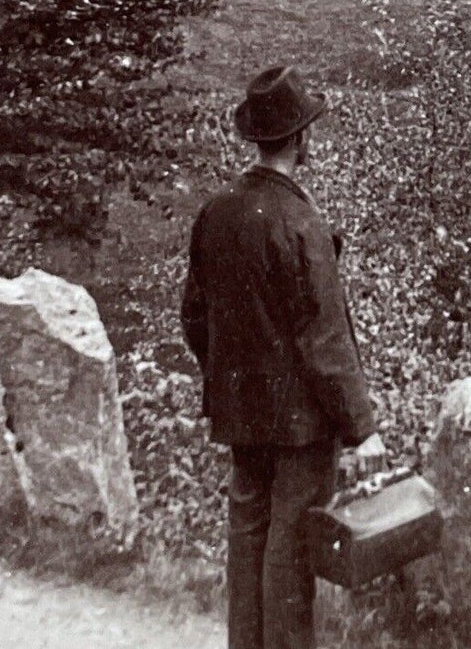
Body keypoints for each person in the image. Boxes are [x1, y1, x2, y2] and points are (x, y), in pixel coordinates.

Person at [182, 65, 385, 649]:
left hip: (242, 416)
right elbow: (325, 341)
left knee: (248, 542)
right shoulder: (302, 223)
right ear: (300, 140)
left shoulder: (216, 213)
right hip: (300, 427)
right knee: (290, 559)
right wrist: (361, 429)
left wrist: (230, 375)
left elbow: (194, 317)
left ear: (256, 137)